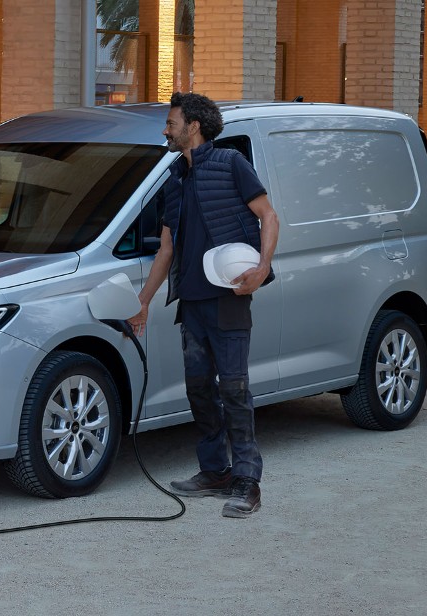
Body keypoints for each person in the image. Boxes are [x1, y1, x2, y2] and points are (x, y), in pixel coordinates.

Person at [127, 92, 279, 518]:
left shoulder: (231, 164)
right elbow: (167, 250)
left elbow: (269, 216)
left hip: (228, 299)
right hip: (191, 303)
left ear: (193, 126)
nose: (166, 129)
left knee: (234, 388)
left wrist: (262, 268)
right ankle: (214, 470)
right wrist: (143, 302)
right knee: (198, 388)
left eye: (171, 122)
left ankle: (247, 480)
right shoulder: (175, 178)